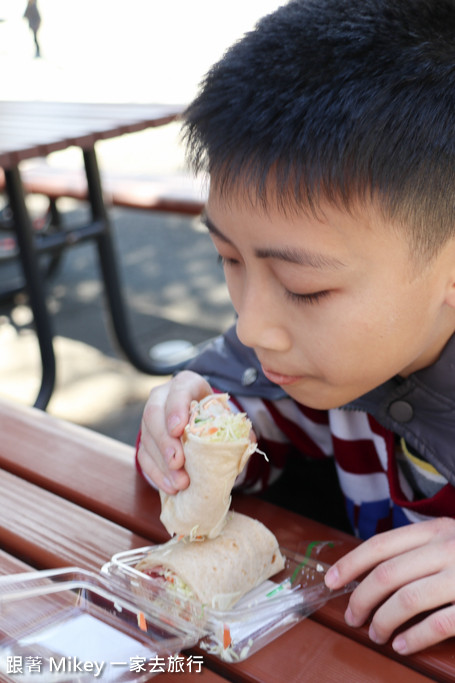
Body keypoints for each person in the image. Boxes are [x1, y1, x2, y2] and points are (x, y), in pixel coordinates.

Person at [137, 0, 455, 656]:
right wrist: (187, 432)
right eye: (228, 259)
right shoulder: (322, 368)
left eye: (304, 288)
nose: (253, 326)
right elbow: (255, 422)